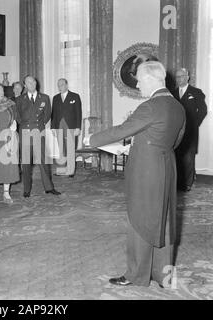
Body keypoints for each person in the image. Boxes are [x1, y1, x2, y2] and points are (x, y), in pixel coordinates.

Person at [85, 61, 185, 288]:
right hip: (167, 166)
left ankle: (136, 275)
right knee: (163, 219)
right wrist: (142, 145)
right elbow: (175, 140)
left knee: (139, 219)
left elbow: (122, 130)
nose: (138, 84)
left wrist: (91, 139)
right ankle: (163, 276)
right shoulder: (177, 106)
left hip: (146, 170)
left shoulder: (150, 106)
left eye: (139, 79)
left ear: (150, 79)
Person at [15, 75, 60, 198]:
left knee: (44, 161)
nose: (32, 84)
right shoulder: (19, 100)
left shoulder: (44, 98)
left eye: (33, 81)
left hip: (38, 132)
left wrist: (38, 126)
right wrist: (26, 126)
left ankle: (49, 188)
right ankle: (27, 189)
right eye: (29, 82)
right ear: (25, 85)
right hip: (25, 132)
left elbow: (47, 116)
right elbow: (17, 117)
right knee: (26, 163)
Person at [172, 68, 208, 192]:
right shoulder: (172, 93)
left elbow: (203, 110)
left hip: (190, 132)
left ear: (187, 77)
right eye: (177, 77)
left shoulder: (196, 92)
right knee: (176, 156)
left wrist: (194, 125)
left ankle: (187, 184)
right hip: (176, 131)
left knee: (188, 157)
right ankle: (178, 182)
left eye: (182, 76)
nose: (179, 79)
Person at [51, 78, 82, 177]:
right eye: (58, 85)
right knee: (60, 149)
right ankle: (60, 170)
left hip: (71, 126)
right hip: (59, 126)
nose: (60, 87)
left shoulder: (75, 96)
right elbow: (54, 114)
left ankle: (70, 171)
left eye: (62, 85)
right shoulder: (55, 98)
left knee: (70, 149)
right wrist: (53, 128)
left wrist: (78, 127)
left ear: (67, 85)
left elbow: (78, 113)